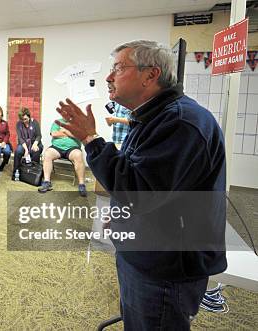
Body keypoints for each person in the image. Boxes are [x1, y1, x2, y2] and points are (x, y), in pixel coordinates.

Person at [56, 40, 227, 330]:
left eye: (119, 68)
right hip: (149, 249)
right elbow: (143, 181)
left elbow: (138, 191)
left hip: (166, 265)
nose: (109, 77)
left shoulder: (180, 123)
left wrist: (91, 140)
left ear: (151, 75)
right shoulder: (153, 117)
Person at [38, 118, 87, 196]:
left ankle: (81, 184)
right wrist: (70, 134)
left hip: (72, 148)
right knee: (47, 154)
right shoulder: (57, 122)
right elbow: (53, 134)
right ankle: (47, 182)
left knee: (78, 155)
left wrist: (64, 131)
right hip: (57, 147)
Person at [13, 107, 43, 178]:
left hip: (35, 143)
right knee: (18, 151)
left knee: (35, 151)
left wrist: (35, 144)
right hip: (24, 144)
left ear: (29, 116)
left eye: (25, 119)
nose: (24, 121)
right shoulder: (18, 124)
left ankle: (34, 174)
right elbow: (20, 138)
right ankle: (16, 172)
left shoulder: (35, 122)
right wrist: (26, 150)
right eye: (22, 119)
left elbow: (39, 135)